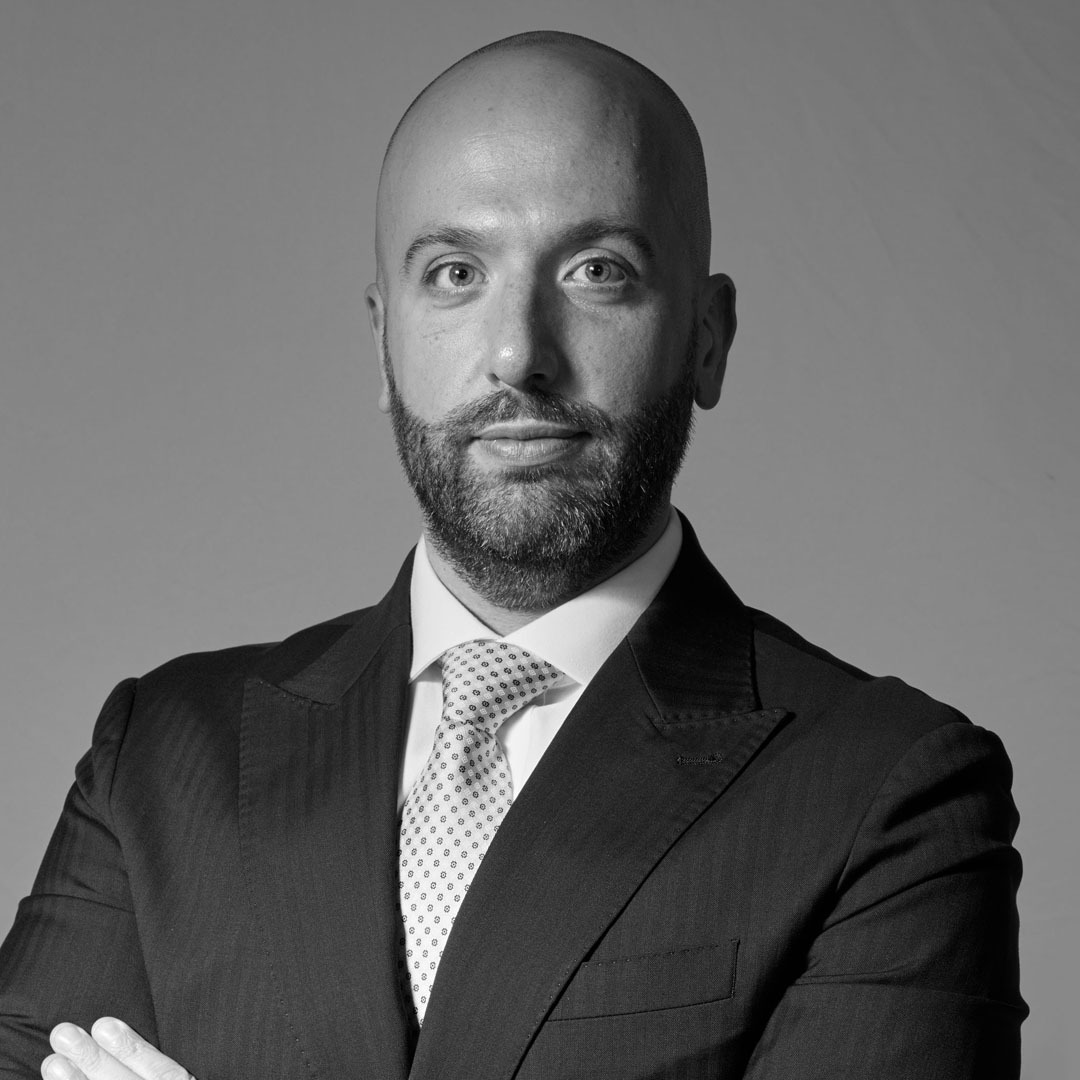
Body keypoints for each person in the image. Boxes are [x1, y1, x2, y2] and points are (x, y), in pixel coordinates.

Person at [0, 30, 1025, 1080]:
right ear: (383, 341)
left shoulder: (887, 793)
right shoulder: (161, 756)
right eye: (455, 274)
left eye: (597, 271)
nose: (517, 354)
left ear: (707, 338)